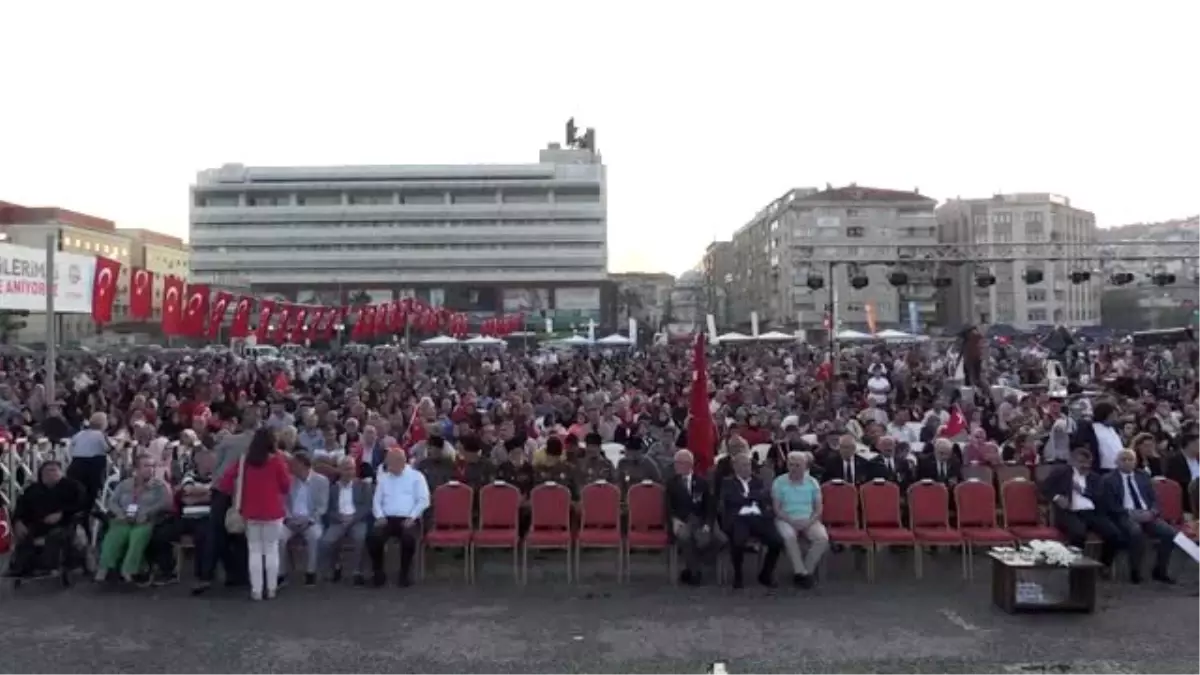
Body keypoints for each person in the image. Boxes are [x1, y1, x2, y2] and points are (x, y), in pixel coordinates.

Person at [218, 427, 291, 601]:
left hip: (250, 511)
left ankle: (256, 590)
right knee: (271, 549)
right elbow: (286, 486)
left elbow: (226, 480)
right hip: (272, 511)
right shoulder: (277, 460)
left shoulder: (245, 460)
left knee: (255, 551)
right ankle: (271, 588)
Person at [1041, 446, 1126, 569]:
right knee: (1078, 534)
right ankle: (1076, 566)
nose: (1085, 466)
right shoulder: (1062, 473)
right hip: (1070, 512)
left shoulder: (1095, 478)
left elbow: (1101, 497)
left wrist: (1083, 491)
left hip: (1092, 513)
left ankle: (1103, 565)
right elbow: (1044, 488)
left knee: (1114, 534)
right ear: (1073, 461)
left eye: (1087, 463)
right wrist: (1057, 497)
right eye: (1081, 462)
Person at [1101, 449, 1176, 584]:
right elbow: (1109, 504)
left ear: (1135, 462)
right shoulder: (1108, 479)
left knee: (1169, 533)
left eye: (1131, 459)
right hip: (1124, 514)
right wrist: (1130, 513)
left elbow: (1155, 499)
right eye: (1123, 459)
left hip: (1147, 513)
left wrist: (1152, 512)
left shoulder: (1143, 476)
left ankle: (1160, 570)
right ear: (1116, 462)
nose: (1127, 462)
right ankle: (1135, 571)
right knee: (1135, 531)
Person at [95, 453, 173, 583]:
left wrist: (147, 513)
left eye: (152, 466)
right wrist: (120, 513)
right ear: (136, 470)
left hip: (145, 520)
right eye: (146, 466)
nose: (150, 469)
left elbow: (165, 504)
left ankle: (129, 569)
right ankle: (105, 567)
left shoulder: (160, 486)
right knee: (115, 535)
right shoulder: (124, 485)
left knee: (137, 536)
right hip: (124, 518)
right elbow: (112, 502)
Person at [5, 460, 87, 579]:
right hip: (37, 524)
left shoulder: (73, 487)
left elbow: (82, 505)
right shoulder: (32, 490)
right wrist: (18, 521)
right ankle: (20, 567)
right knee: (25, 535)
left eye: (54, 470)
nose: (51, 474)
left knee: (55, 535)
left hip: (65, 523)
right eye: (47, 471)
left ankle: (48, 567)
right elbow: (20, 508)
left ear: (61, 472)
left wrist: (62, 514)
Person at [720, 451, 783, 589]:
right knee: (738, 542)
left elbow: (764, 498)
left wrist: (744, 498)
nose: (746, 468)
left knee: (777, 542)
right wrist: (752, 497)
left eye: (748, 465)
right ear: (735, 467)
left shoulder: (758, 481)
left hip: (758, 517)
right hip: (739, 519)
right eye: (743, 465)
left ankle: (766, 574)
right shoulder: (727, 482)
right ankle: (738, 575)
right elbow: (731, 499)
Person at [368, 448, 430, 587]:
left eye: (390, 463)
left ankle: (404, 574)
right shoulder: (384, 478)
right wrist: (379, 516)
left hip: (408, 519)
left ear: (401, 462)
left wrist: (413, 517)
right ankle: (378, 573)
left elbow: (424, 500)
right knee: (373, 537)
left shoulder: (416, 476)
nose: (387, 466)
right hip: (387, 519)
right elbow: (376, 501)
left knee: (408, 539)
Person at [771, 451, 828, 589]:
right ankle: (800, 571)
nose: (794, 468)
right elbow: (777, 509)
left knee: (822, 538)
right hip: (786, 518)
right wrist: (791, 521)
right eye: (791, 465)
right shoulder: (779, 482)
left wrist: (809, 522)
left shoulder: (812, 482)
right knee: (789, 537)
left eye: (798, 465)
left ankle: (806, 571)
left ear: (805, 466)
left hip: (809, 519)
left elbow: (818, 508)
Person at [665, 449, 716, 586]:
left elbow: (709, 507)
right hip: (680, 521)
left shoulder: (702, 483)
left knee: (706, 540)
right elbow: (667, 507)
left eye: (679, 463)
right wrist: (674, 520)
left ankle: (690, 569)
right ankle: (695, 573)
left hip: (699, 521)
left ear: (689, 465)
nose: (676, 466)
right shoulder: (671, 483)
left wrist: (707, 524)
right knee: (685, 537)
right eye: (675, 463)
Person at [318, 456, 373, 584]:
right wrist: (339, 517)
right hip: (338, 520)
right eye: (346, 469)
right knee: (326, 541)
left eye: (352, 469)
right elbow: (328, 509)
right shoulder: (332, 488)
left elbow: (367, 506)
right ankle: (335, 566)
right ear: (340, 470)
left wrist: (353, 517)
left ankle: (356, 572)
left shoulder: (363, 486)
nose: (349, 472)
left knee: (360, 538)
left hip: (357, 519)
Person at [279, 451, 329, 587]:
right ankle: (281, 574)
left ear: (303, 465)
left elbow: (322, 507)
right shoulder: (289, 480)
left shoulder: (321, 481)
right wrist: (288, 518)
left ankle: (310, 572)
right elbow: (283, 503)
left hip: (311, 520)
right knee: (279, 537)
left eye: (293, 464)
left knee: (314, 536)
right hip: (291, 520)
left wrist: (309, 520)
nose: (290, 467)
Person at [65, 412, 112, 515]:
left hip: (76, 464)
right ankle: (86, 515)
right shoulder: (100, 435)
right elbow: (107, 448)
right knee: (90, 494)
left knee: (76, 493)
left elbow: (70, 445)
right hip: (92, 467)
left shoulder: (80, 433)